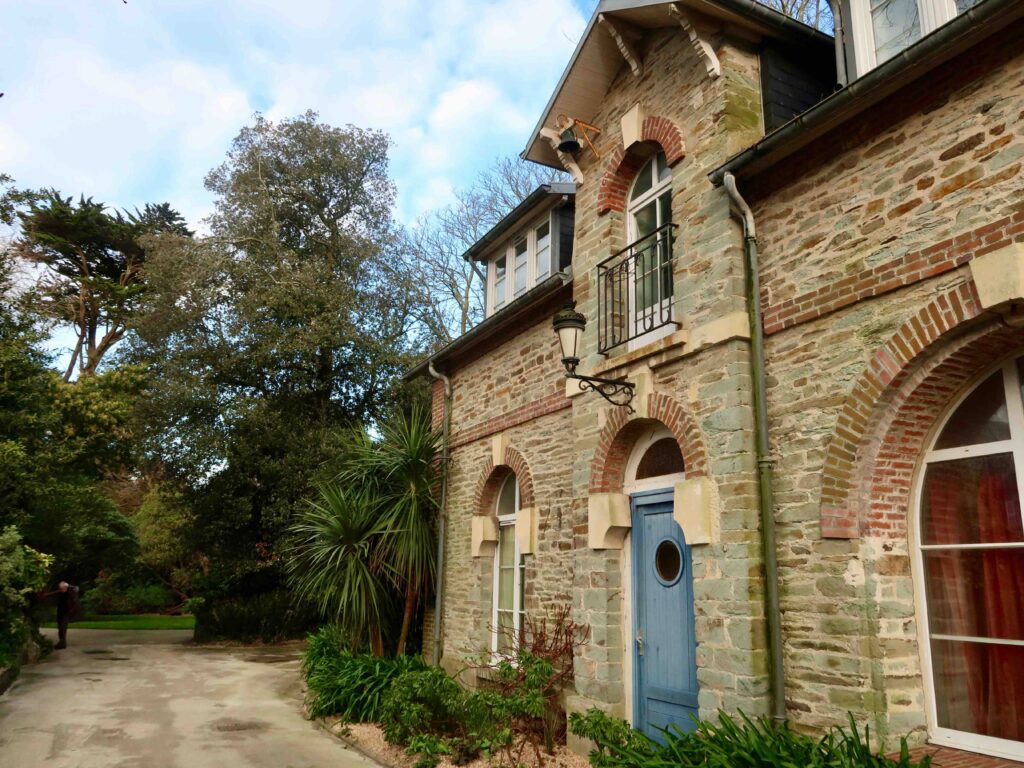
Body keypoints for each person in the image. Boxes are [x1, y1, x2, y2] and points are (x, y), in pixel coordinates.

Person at [47, 581, 79, 649]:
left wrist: (71, 611)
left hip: (67, 612)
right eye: (60, 589)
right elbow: (52, 595)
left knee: (63, 627)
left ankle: (62, 642)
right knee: (60, 627)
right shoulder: (60, 593)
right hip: (60, 611)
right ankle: (61, 641)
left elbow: (75, 601)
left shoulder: (71, 593)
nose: (61, 590)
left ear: (66, 588)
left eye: (62, 589)